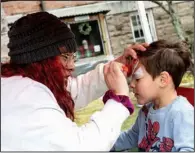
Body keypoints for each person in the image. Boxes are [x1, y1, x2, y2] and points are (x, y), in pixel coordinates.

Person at [1, 12, 146, 151]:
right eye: (65, 57)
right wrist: (119, 101)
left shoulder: (20, 84)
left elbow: (72, 91)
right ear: (41, 61)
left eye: (72, 57)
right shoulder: (27, 99)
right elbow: (82, 147)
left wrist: (111, 70)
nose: (72, 66)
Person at [111, 40, 194, 152]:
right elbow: (130, 137)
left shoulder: (182, 113)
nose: (131, 84)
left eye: (138, 78)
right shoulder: (146, 111)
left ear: (163, 80)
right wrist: (101, 143)